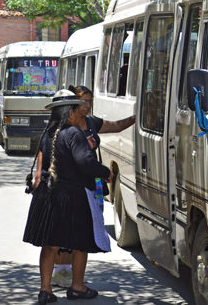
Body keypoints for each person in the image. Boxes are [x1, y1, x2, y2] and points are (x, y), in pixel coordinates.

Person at [23, 90, 112, 304]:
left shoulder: (48, 133)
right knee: (81, 243)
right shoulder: (73, 134)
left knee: (50, 244)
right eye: (75, 108)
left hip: (48, 195)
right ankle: (77, 287)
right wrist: (104, 172)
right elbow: (85, 163)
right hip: (72, 197)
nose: (79, 112)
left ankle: (45, 290)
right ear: (70, 113)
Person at [50, 85, 136, 288]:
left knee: (86, 228)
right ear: (74, 104)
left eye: (90, 102)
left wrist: (135, 118)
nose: (87, 106)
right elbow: (49, 153)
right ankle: (61, 273)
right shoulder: (64, 126)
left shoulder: (91, 122)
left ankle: (73, 275)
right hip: (70, 185)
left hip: (93, 183)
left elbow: (116, 126)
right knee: (67, 232)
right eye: (84, 102)